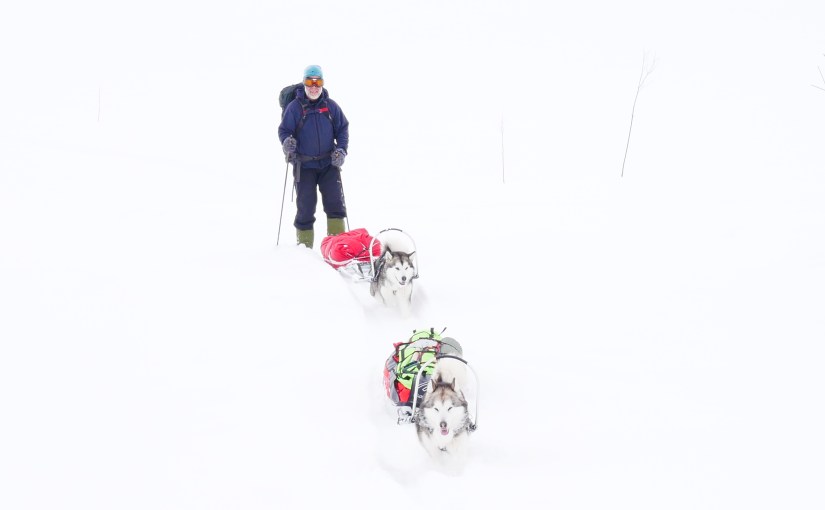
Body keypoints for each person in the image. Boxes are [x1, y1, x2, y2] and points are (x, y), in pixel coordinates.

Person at [278, 64, 350, 249]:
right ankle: (305, 252)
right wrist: (287, 142)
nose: (314, 86)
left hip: (329, 165)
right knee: (305, 209)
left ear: (322, 83)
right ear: (304, 83)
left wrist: (341, 150)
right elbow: (284, 130)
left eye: (318, 82)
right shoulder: (295, 108)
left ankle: (338, 249)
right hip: (304, 166)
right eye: (310, 82)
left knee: (335, 205)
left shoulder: (330, 106)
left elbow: (342, 129)